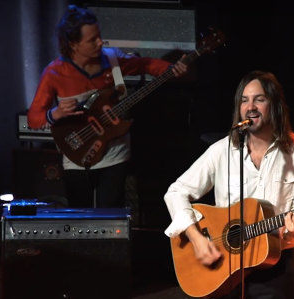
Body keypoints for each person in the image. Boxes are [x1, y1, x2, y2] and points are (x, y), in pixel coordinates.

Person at [163, 71, 294, 299]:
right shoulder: (222, 150)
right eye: (244, 100)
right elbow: (176, 192)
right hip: (224, 268)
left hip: (273, 267)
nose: (250, 107)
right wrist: (197, 238)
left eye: (259, 99)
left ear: (274, 104)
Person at [27, 5, 187, 208]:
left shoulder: (112, 60)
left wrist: (172, 69)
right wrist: (55, 113)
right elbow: (34, 118)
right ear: (73, 44)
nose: (100, 42)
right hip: (77, 155)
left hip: (115, 153)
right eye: (92, 40)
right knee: (79, 215)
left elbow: (145, 64)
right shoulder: (55, 73)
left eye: (99, 36)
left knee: (112, 217)